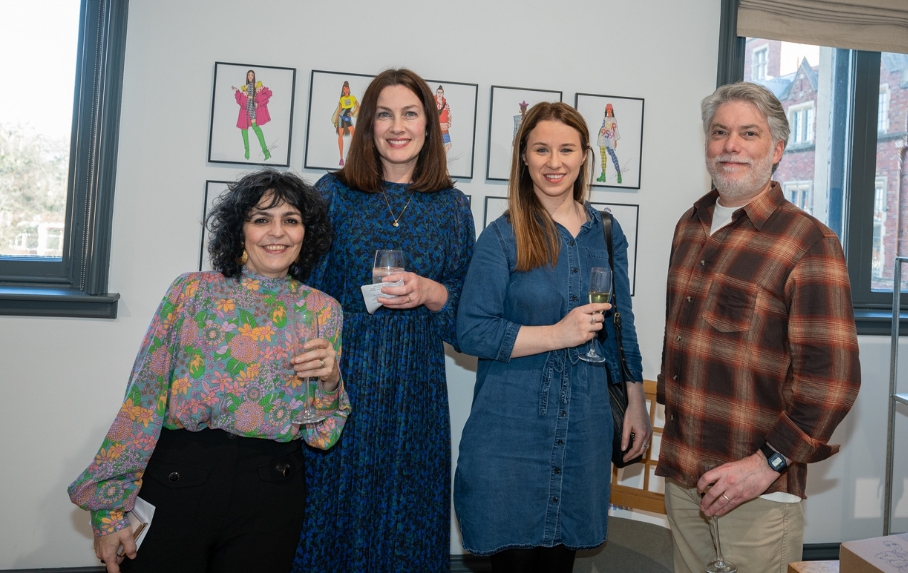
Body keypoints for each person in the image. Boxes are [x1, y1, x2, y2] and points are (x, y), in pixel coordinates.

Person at [68, 170, 351, 573]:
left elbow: (322, 434)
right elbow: (143, 401)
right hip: (181, 481)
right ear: (239, 230)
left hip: (272, 493)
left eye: (291, 220)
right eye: (261, 219)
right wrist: (110, 512)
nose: (278, 232)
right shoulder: (191, 292)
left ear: (307, 233)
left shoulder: (324, 310)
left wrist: (330, 382)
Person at [655, 82, 861, 573]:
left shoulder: (809, 241)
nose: (731, 145)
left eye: (749, 133)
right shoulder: (690, 226)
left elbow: (834, 382)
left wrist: (766, 465)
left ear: (778, 149)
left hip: (756, 491)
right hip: (684, 474)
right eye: (720, 132)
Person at [453, 102, 651, 572]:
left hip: (585, 425)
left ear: (585, 155)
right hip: (509, 429)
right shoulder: (501, 237)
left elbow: (621, 322)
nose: (554, 162)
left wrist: (636, 398)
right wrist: (557, 334)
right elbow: (471, 331)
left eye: (566, 149)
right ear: (524, 157)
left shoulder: (606, 232)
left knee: (559, 562)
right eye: (541, 149)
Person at [293, 68, 476, 573]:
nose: (398, 126)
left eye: (411, 114)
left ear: (429, 125)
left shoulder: (454, 209)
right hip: (341, 387)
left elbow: (469, 321)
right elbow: (301, 296)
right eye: (385, 114)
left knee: (408, 526)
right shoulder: (331, 196)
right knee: (331, 520)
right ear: (368, 125)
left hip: (415, 396)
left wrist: (433, 292)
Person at [232, 69, 273, 160]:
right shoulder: (244, 87)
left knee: (256, 128)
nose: (250, 76)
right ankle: (247, 151)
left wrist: (256, 100)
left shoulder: (258, 85)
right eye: (249, 75)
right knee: (244, 130)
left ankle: (266, 152)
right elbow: (241, 101)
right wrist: (239, 91)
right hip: (245, 109)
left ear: (254, 76)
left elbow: (266, 96)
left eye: (252, 75)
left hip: (253, 108)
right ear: (247, 76)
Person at [333, 80, 359, 167]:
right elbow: (339, 110)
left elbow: (358, 106)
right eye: (344, 89)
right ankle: (341, 158)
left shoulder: (352, 97)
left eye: (347, 88)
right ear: (343, 90)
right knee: (340, 135)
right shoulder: (342, 99)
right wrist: (336, 121)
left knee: (354, 134)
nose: (346, 90)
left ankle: (351, 154)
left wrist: (352, 113)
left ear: (349, 89)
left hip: (347, 117)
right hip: (341, 117)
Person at [596, 103, 622, 184]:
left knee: (613, 156)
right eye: (608, 109)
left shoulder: (614, 120)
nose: (609, 110)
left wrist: (615, 140)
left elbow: (615, 131)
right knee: (603, 157)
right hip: (602, 138)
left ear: (612, 110)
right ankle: (603, 175)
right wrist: (603, 130)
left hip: (609, 140)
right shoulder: (605, 118)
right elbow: (603, 127)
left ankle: (619, 174)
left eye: (610, 109)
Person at [435, 85, 452, 152]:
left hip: (444, 127)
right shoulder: (433, 103)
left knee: (448, 145)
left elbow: (449, 114)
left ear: (443, 93)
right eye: (438, 92)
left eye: (441, 92)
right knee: (436, 144)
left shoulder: (446, 104)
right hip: (436, 127)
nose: (439, 94)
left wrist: (448, 123)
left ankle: (441, 160)